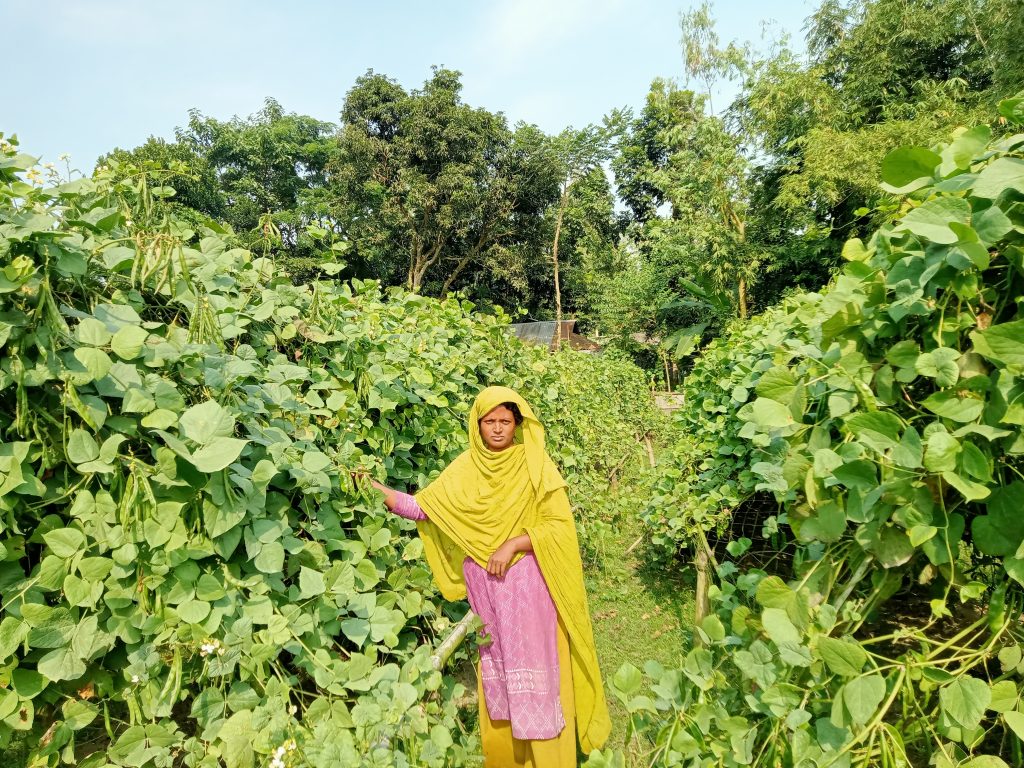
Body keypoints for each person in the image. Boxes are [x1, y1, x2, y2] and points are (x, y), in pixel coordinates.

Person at [361, 386, 610, 767]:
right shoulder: (464, 468)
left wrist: (514, 544)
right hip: (488, 596)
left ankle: (551, 761)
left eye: (505, 421)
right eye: (489, 421)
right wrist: (376, 490)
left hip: (528, 590)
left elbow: (559, 527)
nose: (497, 429)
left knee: (537, 675)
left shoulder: (534, 464)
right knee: (502, 675)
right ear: (477, 425)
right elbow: (425, 508)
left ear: (517, 423)